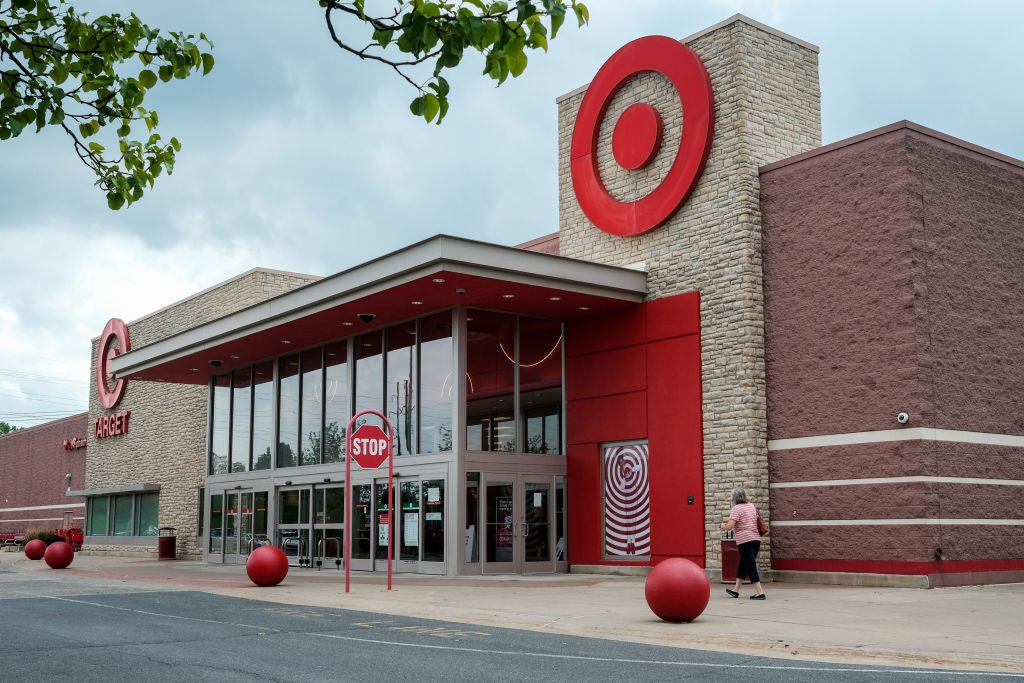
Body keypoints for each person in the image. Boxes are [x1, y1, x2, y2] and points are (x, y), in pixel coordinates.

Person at [720, 487, 766, 600]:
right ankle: (735, 590)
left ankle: (760, 593)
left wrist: (722, 526)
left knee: (750, 566)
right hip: (756, 540)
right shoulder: (751, 506)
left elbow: (730, 526)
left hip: (745, 541)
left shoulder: (736, 508)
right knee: (744, 565)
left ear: (734, 498)